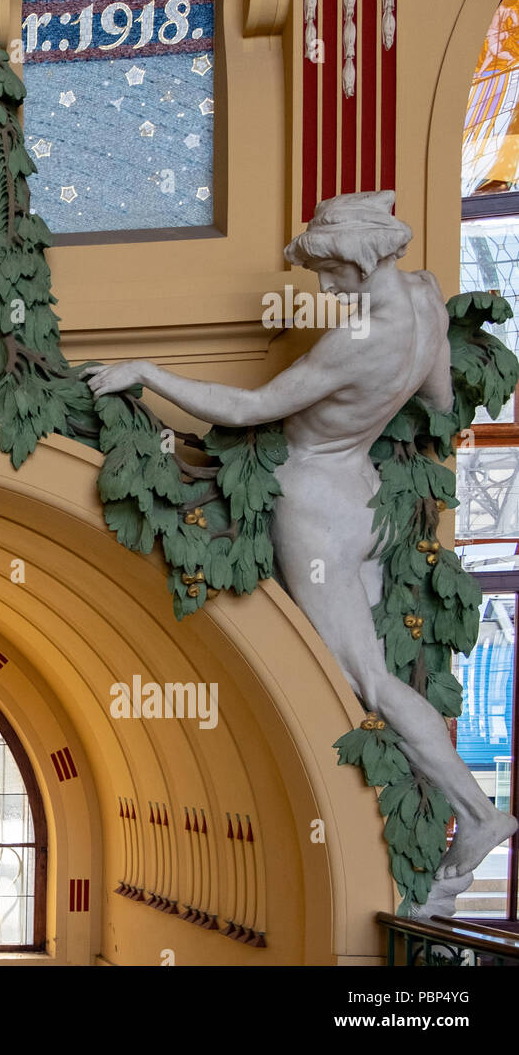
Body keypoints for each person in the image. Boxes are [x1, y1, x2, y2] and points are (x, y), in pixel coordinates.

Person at [85, 191, 518, 914]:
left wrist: (148, 373)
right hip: (370, 496)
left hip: (316, 501)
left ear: (353, 259)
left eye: (326, 273)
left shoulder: (355, 343)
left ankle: (477, 816)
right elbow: (441, 400)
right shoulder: (425, 299)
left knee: (371, 683)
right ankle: (448, 838)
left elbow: (253, 410)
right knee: (375, 671)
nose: (323, 289)